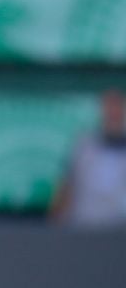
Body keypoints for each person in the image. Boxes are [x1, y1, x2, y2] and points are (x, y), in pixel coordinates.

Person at [50, 90, 126, 228]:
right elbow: (66, 186)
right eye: (109, 108)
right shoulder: (85, 145)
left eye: (118, 107)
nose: (113, 113)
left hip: (119, 232)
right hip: (85, 227)